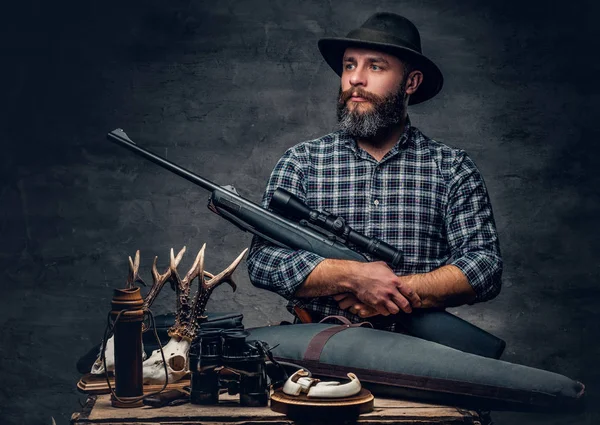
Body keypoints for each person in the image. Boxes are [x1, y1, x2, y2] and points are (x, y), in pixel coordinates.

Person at [246, 12, 502, 330]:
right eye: (349, 65)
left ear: (411, 82)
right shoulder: (302, 162)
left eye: (375, 66)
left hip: (417, 356)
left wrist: (396, 291)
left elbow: (485, 267)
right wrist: (351, 276)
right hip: (318, 354)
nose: (356, 78)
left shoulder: (451, 168)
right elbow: (262, 261)